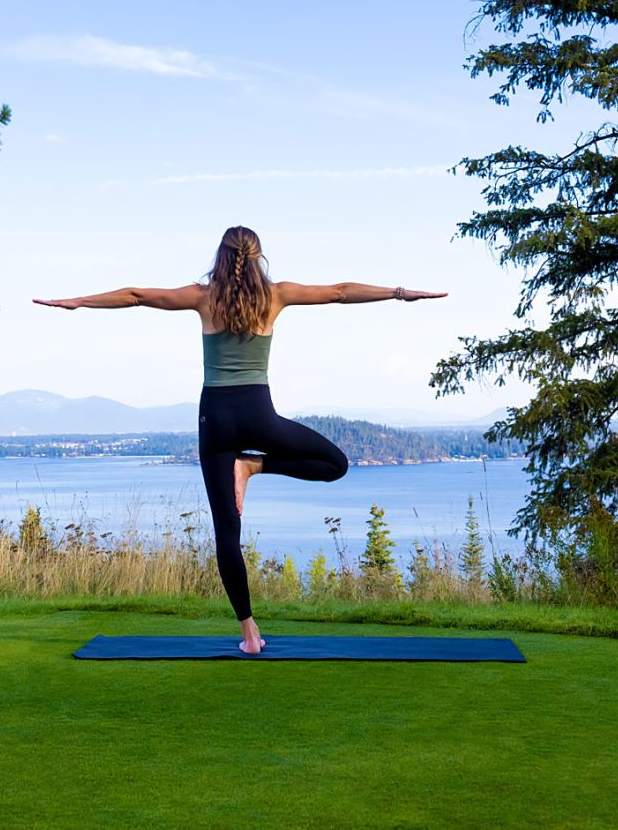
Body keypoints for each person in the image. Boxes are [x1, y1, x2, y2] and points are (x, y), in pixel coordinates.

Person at [33, 224, 447, 655]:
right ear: (258, 257)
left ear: (221, 256)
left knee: (226, 535)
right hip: (258, 416)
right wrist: (400, 292)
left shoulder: (201, 296)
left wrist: (78, 302)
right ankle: (254, 465)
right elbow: (341, 291)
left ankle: (250, 633)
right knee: (336, 465)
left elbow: (137, 295)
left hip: (214, 420)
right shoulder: (276, 295)